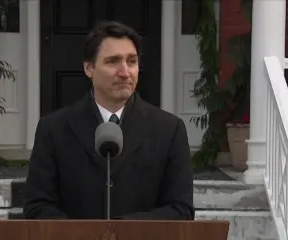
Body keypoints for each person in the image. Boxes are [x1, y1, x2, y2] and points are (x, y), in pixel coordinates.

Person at [23, 21, 194, 220]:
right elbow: (37, 207)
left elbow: (181, 210)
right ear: (89, 68)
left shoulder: (169, 130)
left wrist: (121, 231)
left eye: (132, 61)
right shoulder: (53, 129)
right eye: (112, 61)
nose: (124, 72)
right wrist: (85, 236)